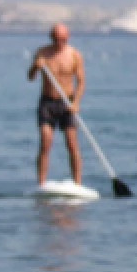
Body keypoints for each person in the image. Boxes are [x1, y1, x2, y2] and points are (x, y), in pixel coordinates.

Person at [27, 24, 86, 185]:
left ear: (67, 38)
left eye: (63, 39)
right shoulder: (42, 53)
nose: (59, 42)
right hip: (47, 102)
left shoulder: (74, 55)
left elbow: (80, 82)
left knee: (71, 142)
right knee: (45, 141)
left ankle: (77, 183)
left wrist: (76, 102)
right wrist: (35, 67)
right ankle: (41, 183)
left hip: (67, 102)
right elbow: (30, 77)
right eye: (56, 39)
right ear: (51, 37)